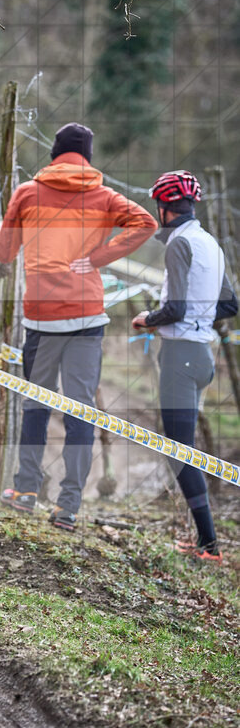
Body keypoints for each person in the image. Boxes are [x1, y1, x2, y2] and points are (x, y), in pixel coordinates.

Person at [0, 122, 157, 530]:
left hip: (41, 318)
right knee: (80, 411)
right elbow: (147, 223)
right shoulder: (103, 196)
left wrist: (3, 235)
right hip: (88, 318)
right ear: (87, 157)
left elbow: (7, 252)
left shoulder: (27, 193)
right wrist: (99, 258)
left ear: (54, 154)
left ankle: (26, 490)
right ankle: (68, 506)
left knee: (34, 405)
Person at [132, 170, 237, 562]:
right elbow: (230, 305)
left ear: (164, 208)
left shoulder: (178, 243)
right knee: (183, 447)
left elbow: (174, 308)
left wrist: (146, 318)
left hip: (180, 357)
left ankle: (209, 544)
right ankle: (204, 540)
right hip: (202, 357)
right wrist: (200, 318)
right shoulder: (209, 243)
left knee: (179, 451)